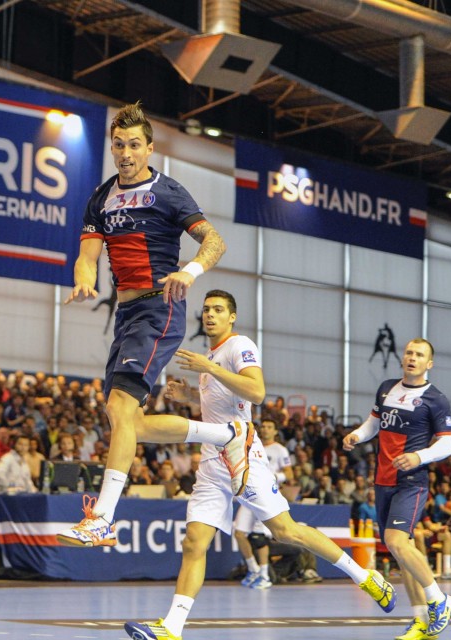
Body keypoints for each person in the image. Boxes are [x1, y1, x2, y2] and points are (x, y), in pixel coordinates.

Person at [125, 291, 397, 640]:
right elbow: (223, 401)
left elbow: (256, 392)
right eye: (206, 309)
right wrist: (191, 396)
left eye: (218, 310)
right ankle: (171, 628)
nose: (210, 315)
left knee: (287, 531)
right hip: (212, 461)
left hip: (243, 453)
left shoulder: (239, 346)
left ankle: (365, 577)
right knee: (194, 542)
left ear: (232, 317)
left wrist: (209, 368)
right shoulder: (211, 355)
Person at [58, 104, 259, 549]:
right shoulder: (100, 197)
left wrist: (190, 272)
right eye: (118, 145)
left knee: (121, 405)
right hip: (126, 315)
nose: (126, 153)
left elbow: (214, 240)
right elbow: (88, 255)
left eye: (134, 145)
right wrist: (83, 281)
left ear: (149, 148)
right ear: (111, 148)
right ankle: (227, 434)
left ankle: (103, 518)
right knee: (125, 419)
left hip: (160, 308)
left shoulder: (168, 192)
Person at [343, 338, 451, 640]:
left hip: (412, 482)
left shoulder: (436, 399)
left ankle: (439, 600)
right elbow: (373, 423)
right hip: (383, 481)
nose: (412, 358)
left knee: (396, 541)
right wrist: (356, 435)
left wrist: (419, 456)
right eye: (409, 352)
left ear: (429, 364)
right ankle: (421, 620)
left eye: (419, 355)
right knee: (399, 550)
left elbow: (448, 443)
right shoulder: (387, 388)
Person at [236, 418, 294, 589]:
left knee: (258, 537)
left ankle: (264, 575)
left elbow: (289, 475)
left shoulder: (280, 450)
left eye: (270, 427)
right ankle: (253, 569)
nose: (266, 429)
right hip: (248, 493)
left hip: (267, 495)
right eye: (264, 427)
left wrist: (275, 477)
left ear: (275, 431)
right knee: (239, 533)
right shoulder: (253, 444)